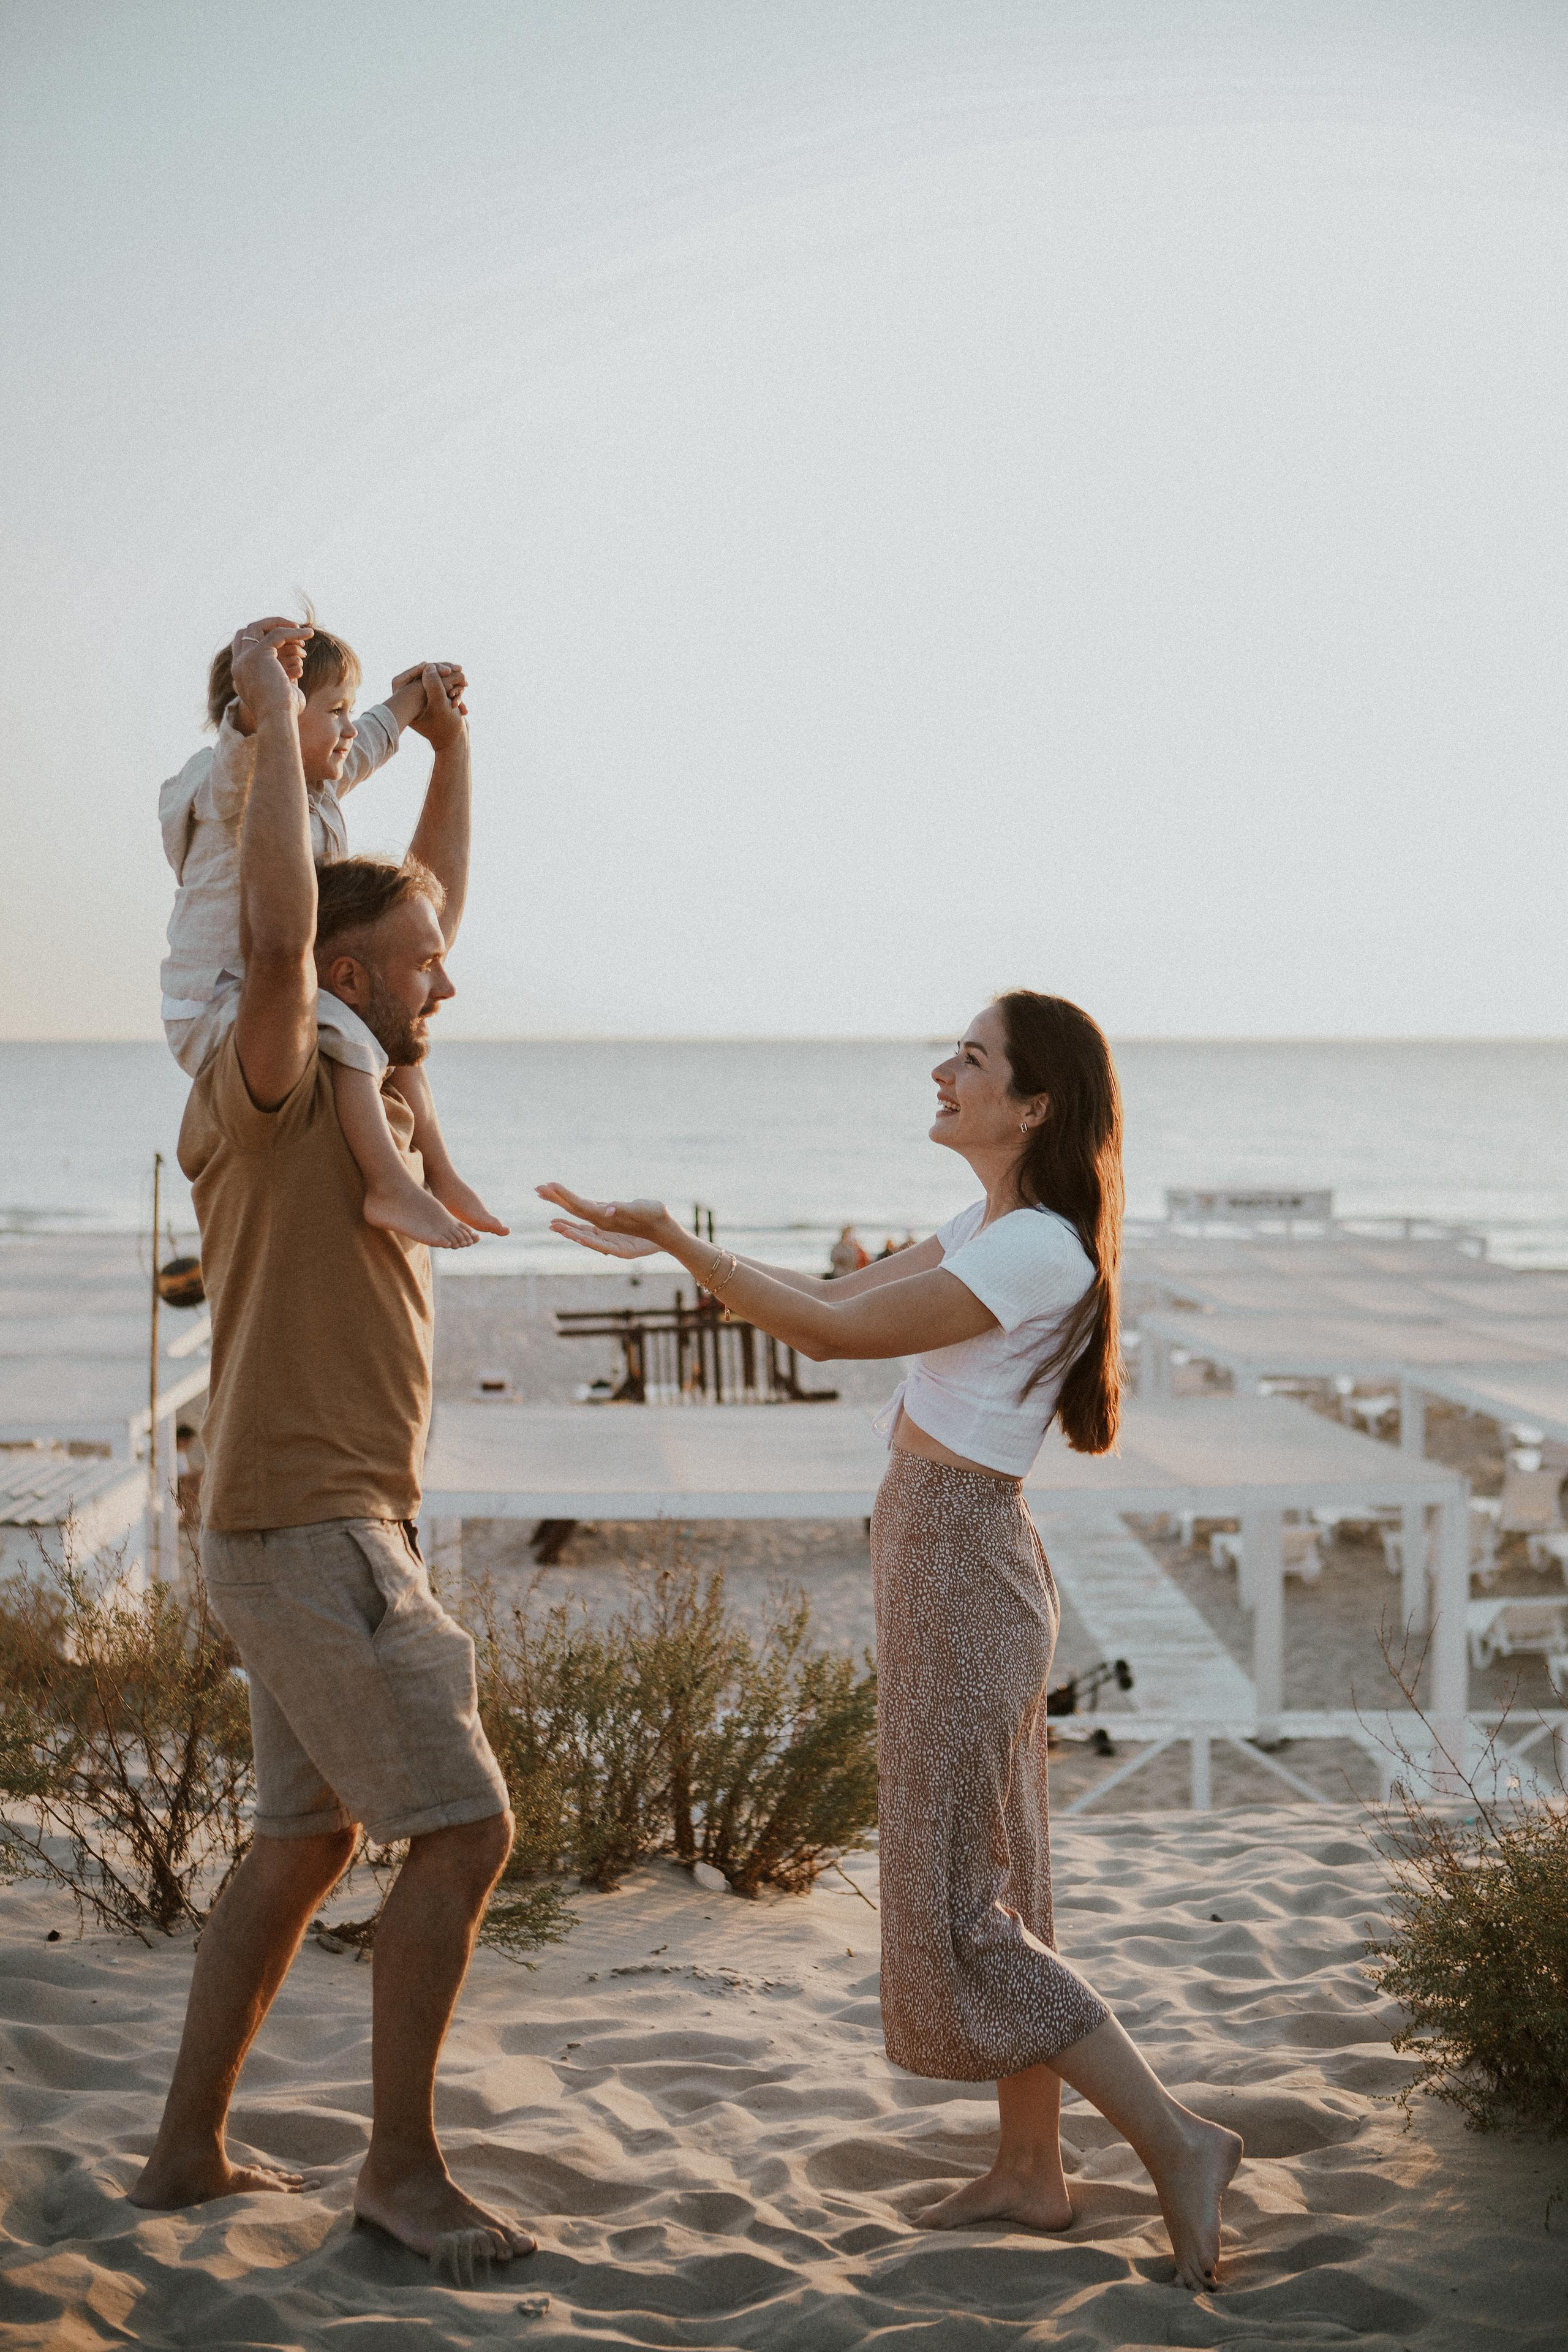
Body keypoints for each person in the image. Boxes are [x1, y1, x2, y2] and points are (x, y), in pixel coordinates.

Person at [538, 992, 1243, 2293]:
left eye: (968, 1059)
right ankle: (1032, 2172)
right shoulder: (995, 1226)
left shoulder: (1037, 1250)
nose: (941, 1070)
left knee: (959, 1897)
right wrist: (675, 1249)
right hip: (942, 1547)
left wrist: (671, 1243)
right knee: (1000, 1876)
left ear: (1032, 1105)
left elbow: (824, 1335)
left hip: (958, 1555)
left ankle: (1174, 2141)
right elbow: (830, 1292)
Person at [130, 620, 531, 2278]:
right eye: (417, 965)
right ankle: (403, 2173)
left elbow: (401, 916)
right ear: (348, 984)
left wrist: (447, 748)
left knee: (303, 1840)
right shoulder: (273, 1070)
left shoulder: (380, 1050)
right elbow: (300, 940)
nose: (448, 975)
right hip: (310, 1526)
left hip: (319, 1517)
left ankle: (182, 2155)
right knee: (466, 1830)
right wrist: (270, 724)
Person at [160, 614, 506, 1250]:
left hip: (285, 987)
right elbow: (249, 752)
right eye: (333, 710)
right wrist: (264, 699)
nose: (350, 726)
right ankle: (388, 1183)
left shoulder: (318, 785)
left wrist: (420, 699)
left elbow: (370, 735)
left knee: (394, 1036)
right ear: (275, 714)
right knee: (354, 1031)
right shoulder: (228, 785)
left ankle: (438, 1171)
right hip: (219, 1001)